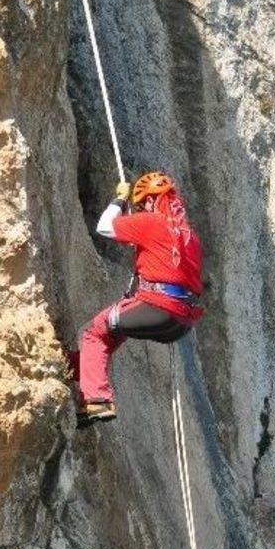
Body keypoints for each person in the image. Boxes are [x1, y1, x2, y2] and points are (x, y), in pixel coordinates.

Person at [73, 171, 203, 426]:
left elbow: (105, 227)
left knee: (94, 332)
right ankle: (77, 370)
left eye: (142, 203)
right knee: (110, 335)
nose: (141, 209)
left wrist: (119, 200)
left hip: (157, 307)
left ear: (152, 201)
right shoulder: (190, 237)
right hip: (181, 321)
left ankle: (98, 400)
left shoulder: (152, 222)